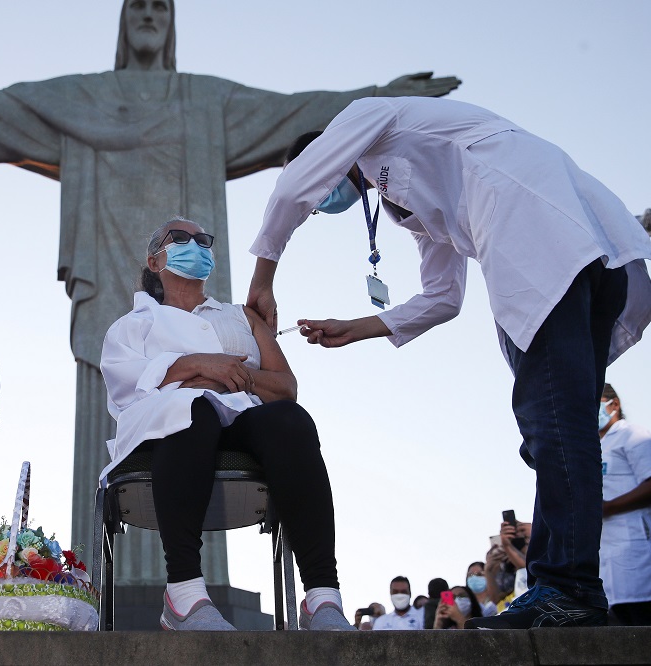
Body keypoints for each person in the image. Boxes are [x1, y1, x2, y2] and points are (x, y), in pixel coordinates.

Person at [0, 0, 461, 576]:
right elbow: (6, 106)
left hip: (211, 321)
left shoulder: (206, 99)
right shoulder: (85, 96)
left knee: (229, 418)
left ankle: (248, 587)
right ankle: (133, 583)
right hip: (109, 280)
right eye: (140, 6)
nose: (151, 15)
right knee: (142, 406)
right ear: (124, 23)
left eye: (163, 5)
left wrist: (382, 98)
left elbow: (293, 109)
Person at [246, 96, 651, 629]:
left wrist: (263, 279)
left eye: (318, 179)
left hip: (537, 231)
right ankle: (558, 583)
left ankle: (569, 588)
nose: (321, 201)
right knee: (558, 422)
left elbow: (293, 187)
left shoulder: (369, 118)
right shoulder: (408, 204)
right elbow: (443, 296)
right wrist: (358, 328)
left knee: (552, 422)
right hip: (567, 238)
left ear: (325, 153)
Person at [100, 216, 353, 631]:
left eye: (203, 240)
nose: (195, 245)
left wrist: (235, 376)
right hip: (167, 430)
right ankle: (184, 593)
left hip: (243, 415)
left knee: (291, 420)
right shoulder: (133, 324)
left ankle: (323, 597)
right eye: (179, 238)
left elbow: (285, 386)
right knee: (192, 408)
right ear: (154, 259)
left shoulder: (241, 317)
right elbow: (125, 384)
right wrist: (198, 366)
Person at [598, 383, 651, 626]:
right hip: (609, 562)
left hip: (637, 550)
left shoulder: (633, 436)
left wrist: (608, 508)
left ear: (614, 405)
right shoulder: (595, 447)